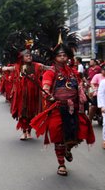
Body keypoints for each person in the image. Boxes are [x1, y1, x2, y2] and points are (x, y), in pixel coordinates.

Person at [30, 27, 95, 176]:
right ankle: (61, 164)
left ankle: (68, 149)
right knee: (58, 136)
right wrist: (47, 94)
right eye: (60, 55)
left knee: (77, 135)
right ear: (54, 57)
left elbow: (79, 86)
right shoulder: (50, 72)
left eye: (65, 55)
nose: (63, 58)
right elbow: (45, 86)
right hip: (57, 108)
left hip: (74, 109)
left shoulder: (73, 72)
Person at [1, 35, 46, 140]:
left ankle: (29, 131)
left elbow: (46, 68)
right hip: (21, 94)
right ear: (22, 57)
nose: (29, 57)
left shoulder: (36, 66)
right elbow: (7, 68)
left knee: (32, 113)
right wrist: (1, 68)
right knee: (22, 113)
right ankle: (24, 131)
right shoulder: (18, 67)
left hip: (34, 93)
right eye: (27, 56)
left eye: (30, 56)